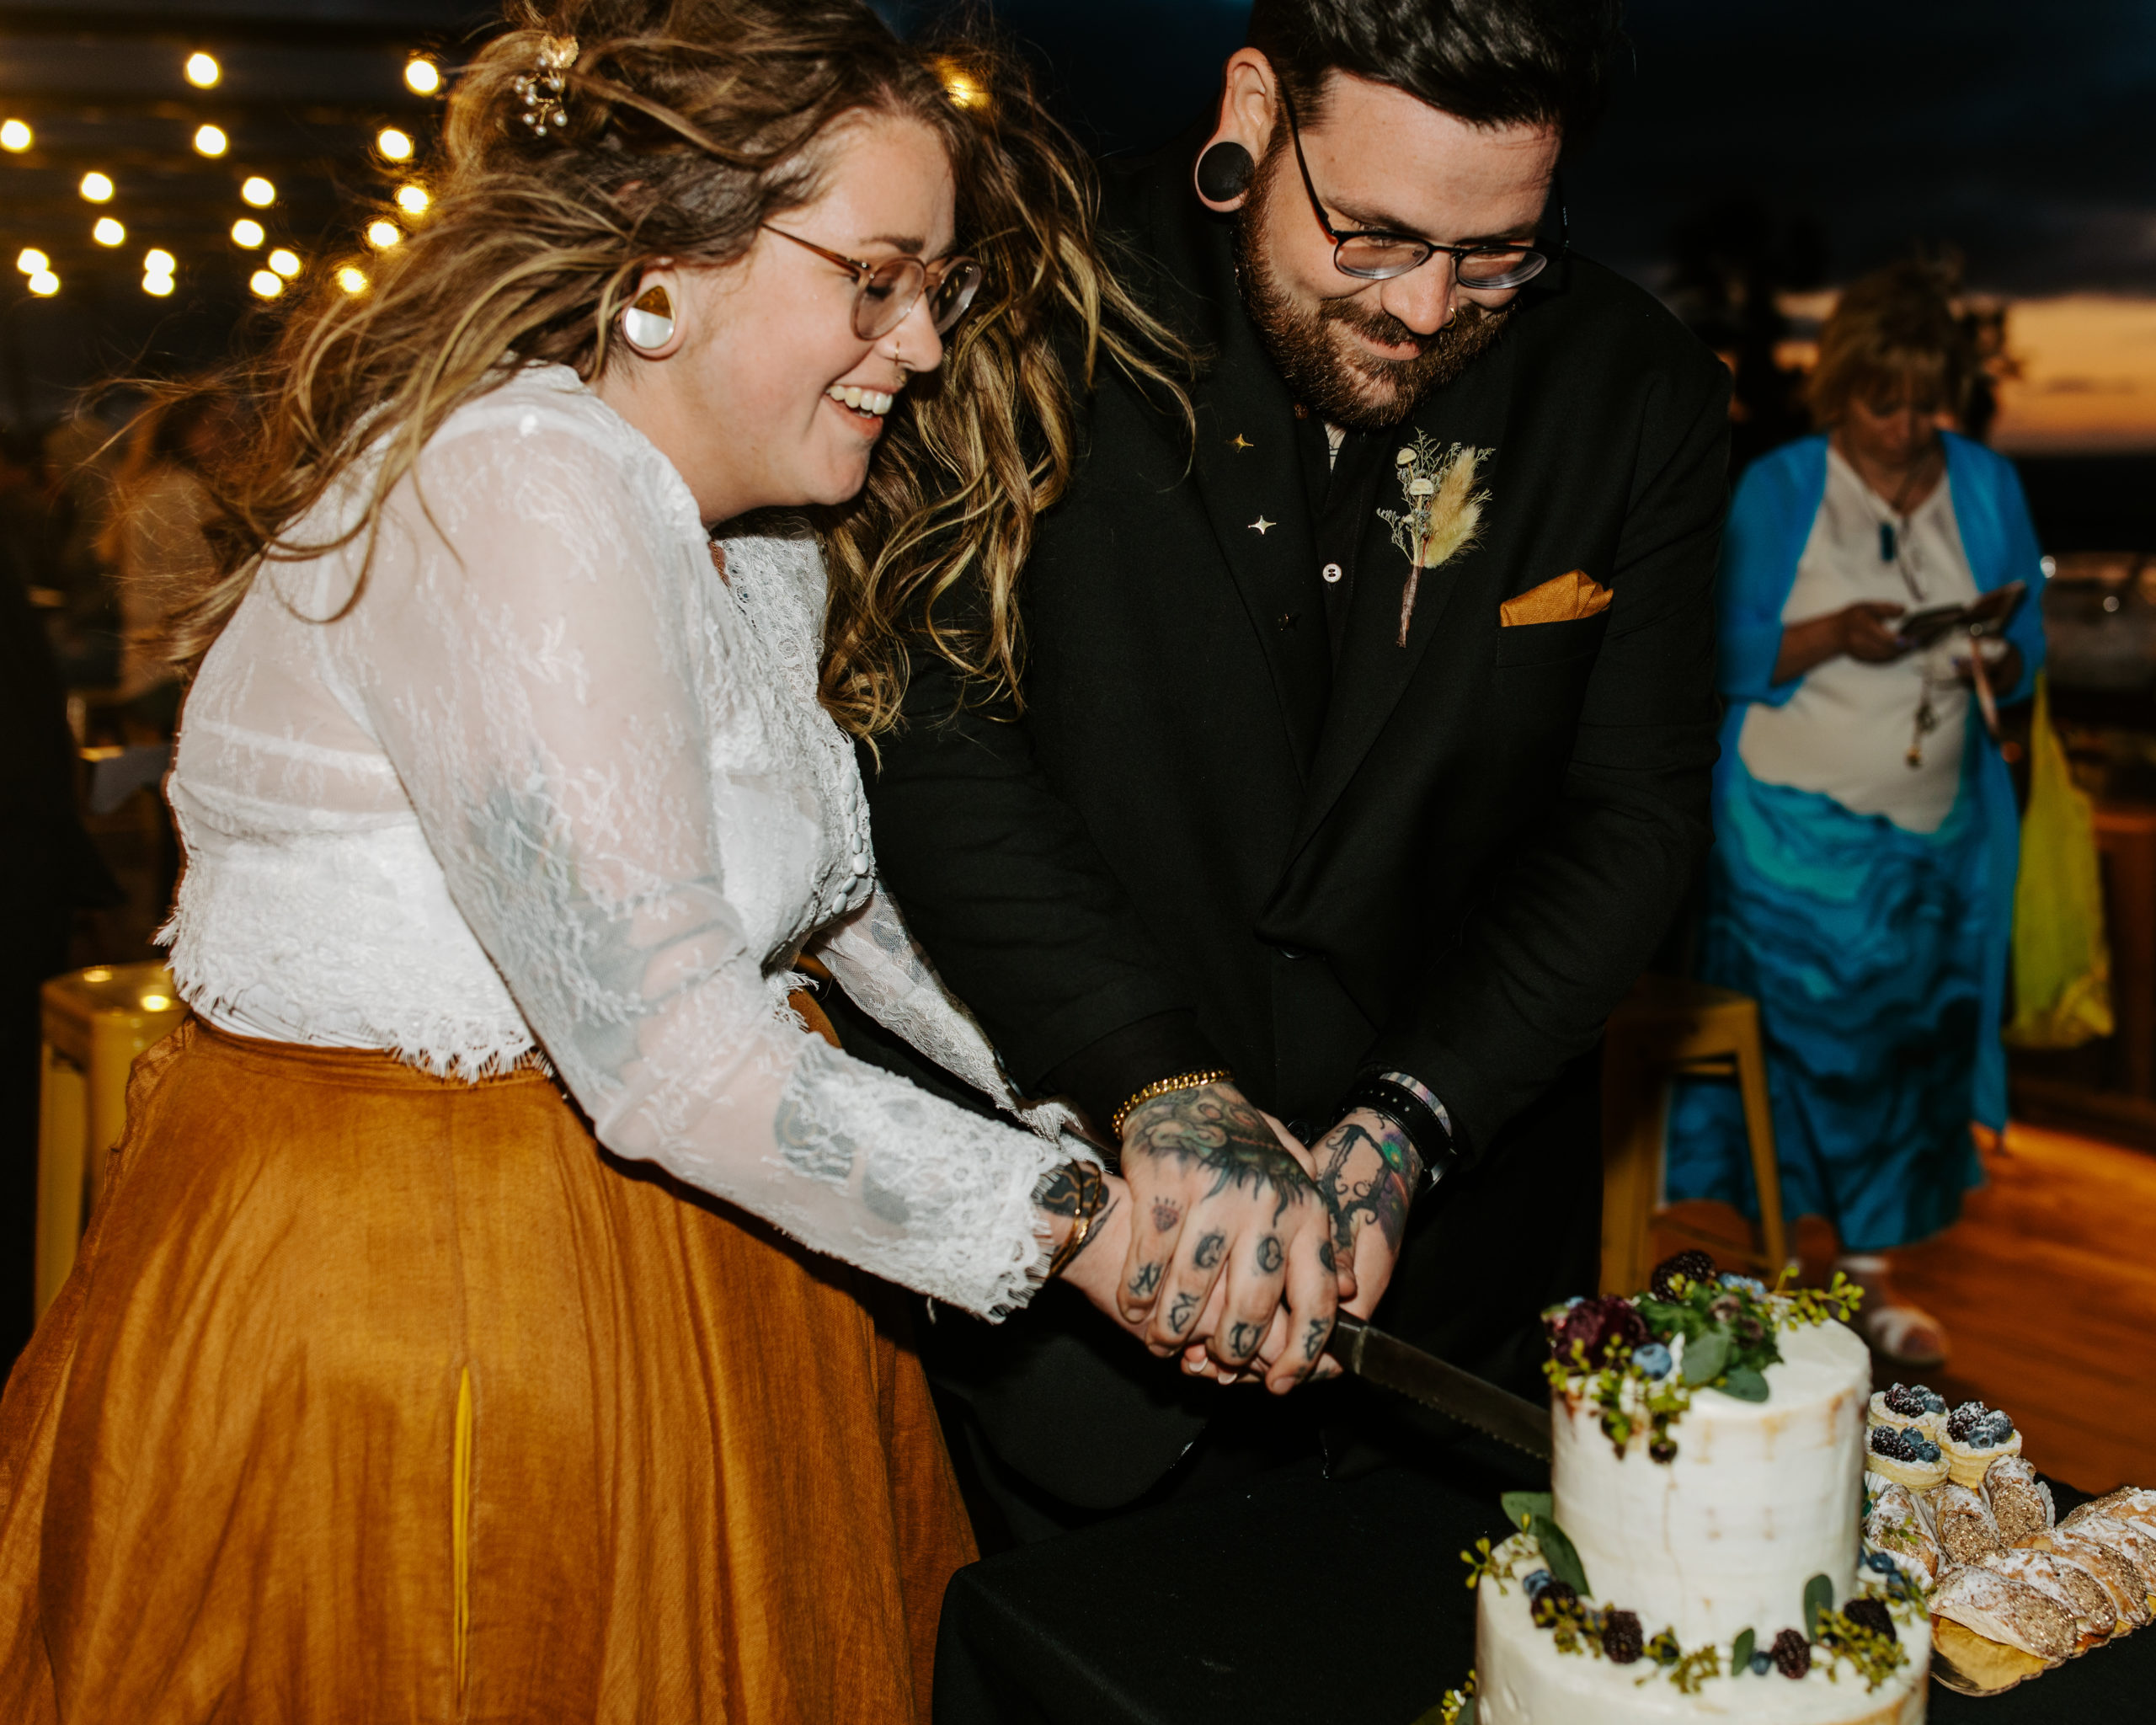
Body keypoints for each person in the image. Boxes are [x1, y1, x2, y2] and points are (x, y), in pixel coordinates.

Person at [0, 6, 1332, 1718]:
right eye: (872, 276)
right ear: (661, 270)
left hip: (686, 1265)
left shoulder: (747, 532)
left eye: (936, 287)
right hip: (428, 1301)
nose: (917, 342)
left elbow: (837, 914)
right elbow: (672, 1050)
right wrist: (1075, 1228)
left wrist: (1097, 1122)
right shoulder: (517, 482)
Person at [858, 0, 1731, 1539]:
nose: (1426, 308)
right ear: (1254, 108)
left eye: (1497, 253)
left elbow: (1630, 821)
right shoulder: (1025, 306)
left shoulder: (1633, 390)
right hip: (1078, 1330)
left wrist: (1409, 1126)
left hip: (1445, 1324)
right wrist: (1158, 1081)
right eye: (1375, 235)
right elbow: (931, 736)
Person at [1665, 260, 2046, 1368]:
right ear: (1844, 389)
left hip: (1934, 842)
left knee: (1906, 1058)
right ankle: (1784, 1272)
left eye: (1929, 403)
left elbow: (2031, 652)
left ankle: (1871, 1281)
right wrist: (1833, 634)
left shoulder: (1985, 484)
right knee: (1798, 1058)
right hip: (1783, 840)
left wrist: (1996, 652)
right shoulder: (1782, 486)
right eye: (1886, 401)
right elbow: (1714, 647)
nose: (1907, 425)